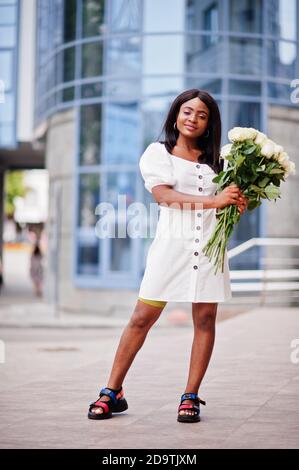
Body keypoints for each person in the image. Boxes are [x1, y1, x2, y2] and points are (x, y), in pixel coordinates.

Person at [87, 88, 248, 423]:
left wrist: (235, 204)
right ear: (176, 114)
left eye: (202, 115)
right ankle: (112, 391)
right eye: (187, 111)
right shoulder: (158, 152)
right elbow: (165, 197)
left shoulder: (220, 162)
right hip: (170, 249)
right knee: (141, 319)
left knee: (205, 321)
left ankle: (190, 396)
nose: (193, 119)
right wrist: (216, 202)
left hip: (208, 250)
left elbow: (223, 208)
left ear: (209, 124)